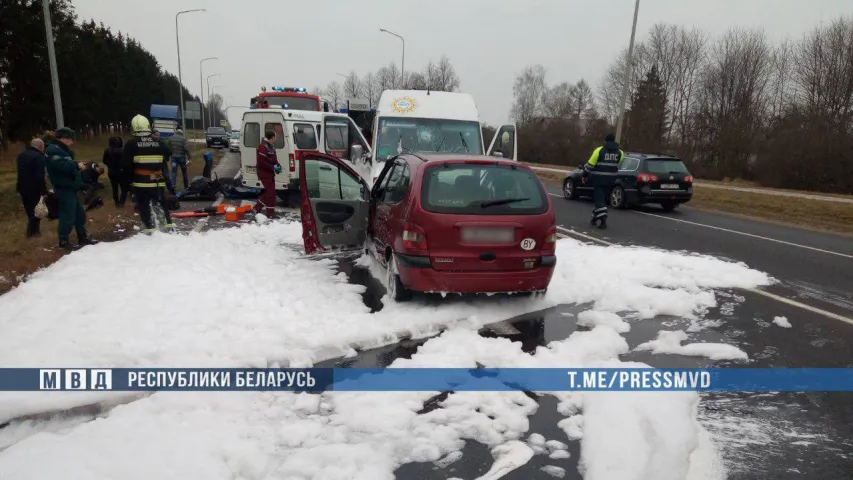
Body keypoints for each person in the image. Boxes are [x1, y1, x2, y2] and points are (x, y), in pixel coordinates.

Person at [45, 127, 98, 250]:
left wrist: (81, 182)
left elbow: (69, 166)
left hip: (71, 188)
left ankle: (82, 236)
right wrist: (76, 164)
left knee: (79, 215)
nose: (72, 141)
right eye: (70, 139)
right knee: (67, 216)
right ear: (64, 138)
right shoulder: (53, 150)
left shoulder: (64, 151)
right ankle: (63, 241)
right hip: (64, 189)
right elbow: (62, 166)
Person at [122, 115, 176, 234]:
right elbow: (168, 152)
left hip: (141, 182)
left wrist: (128, 183)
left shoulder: (131, 144)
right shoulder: (159, 142)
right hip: (157, 180)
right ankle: (169, 228)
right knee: (161, 204)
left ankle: (150, 230)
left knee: (144, 206)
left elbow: (126, 165)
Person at [582, 133, 624, 230]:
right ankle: (594, 218)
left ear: (605, 141)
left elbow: (590, 165)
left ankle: (603, 219)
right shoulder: (620, 152)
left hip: (599, 179)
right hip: (612, 180)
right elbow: (618, 164)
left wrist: (584, 174)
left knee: (599, 200)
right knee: (601, 199)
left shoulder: (599, 150)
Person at [16, 138, 48, 237]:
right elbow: (39, 175)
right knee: (37, 210)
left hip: (22, 186)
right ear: (41, 147)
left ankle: (35, 231)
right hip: (34, 187)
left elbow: (20, 172)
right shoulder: (39, 157)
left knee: (29, 209)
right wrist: (43, 190)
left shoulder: (21, 155)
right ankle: (31, 232)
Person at [253, 130, 282, 218]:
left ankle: (257, 208)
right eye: (275, 136)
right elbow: (261, 161)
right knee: (271, 192)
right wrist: (272, 167)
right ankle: (269, 213)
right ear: (272, 137)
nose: (276, 138)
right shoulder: (263, 147)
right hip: (263, 172)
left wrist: (278, 165)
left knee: (271, 192)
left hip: (269, 173)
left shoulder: (271, 146)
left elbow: (274, 159)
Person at [102, 136, 128, 207]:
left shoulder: (107, 150)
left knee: (114, 189)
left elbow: (104, 161)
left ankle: (116, 204)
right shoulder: (123, 151)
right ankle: (122, 204)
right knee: (124, 189)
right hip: (121, 173)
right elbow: (127, 162)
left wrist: (110, 165)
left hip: (111, 172)